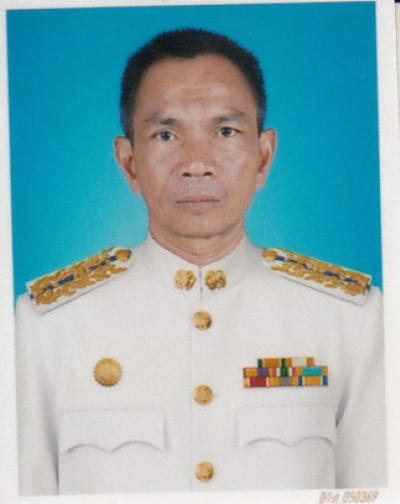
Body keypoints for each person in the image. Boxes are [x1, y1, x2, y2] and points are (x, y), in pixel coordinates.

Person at [15, 28, 386, 495]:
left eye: (225, 131)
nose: (196, 163)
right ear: (129, 162)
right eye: (166, 134)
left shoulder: (350, 321)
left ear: (263, 156)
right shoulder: (45, 329)